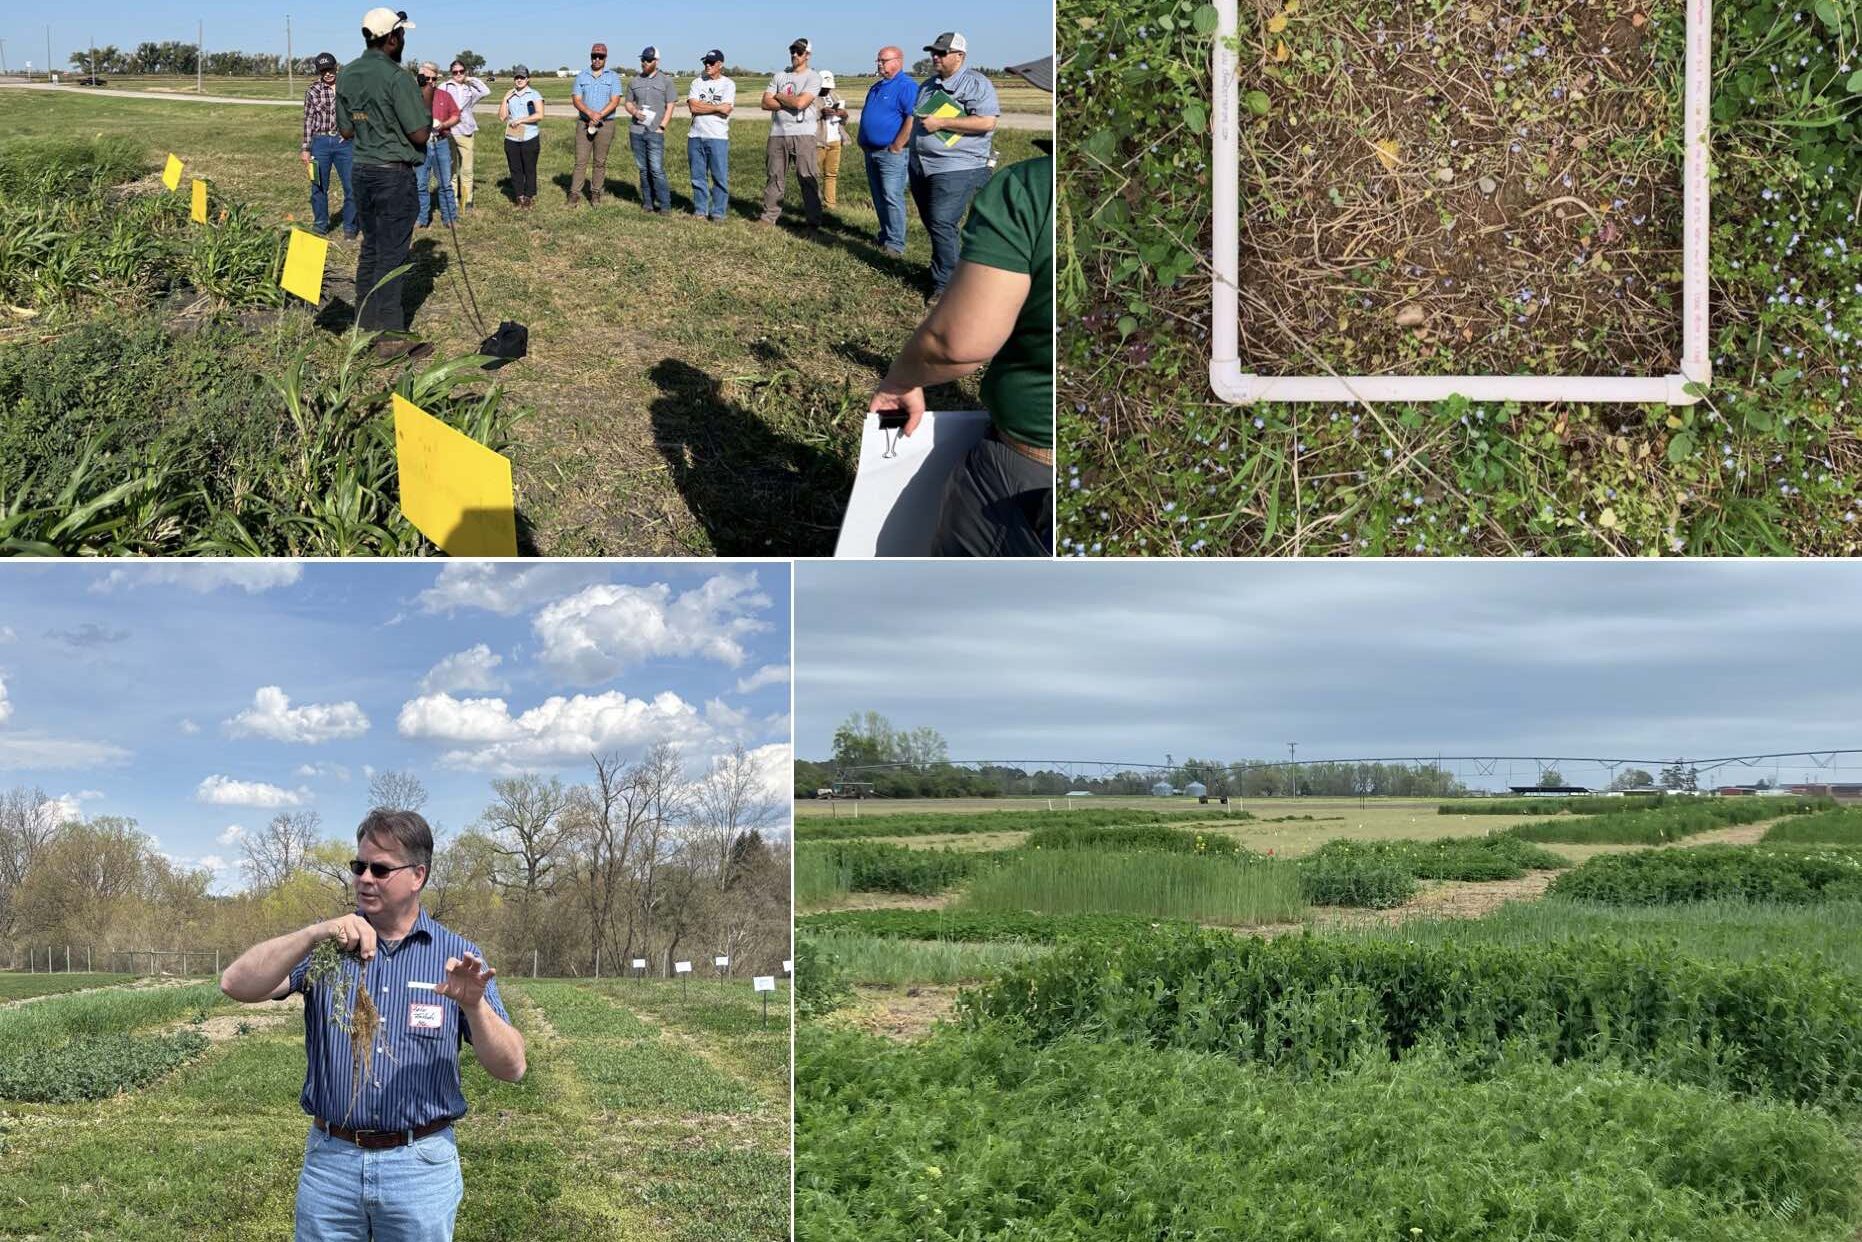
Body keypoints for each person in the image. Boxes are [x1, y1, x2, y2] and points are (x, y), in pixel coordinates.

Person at [219, 809, 526, 1242]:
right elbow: (235, 984)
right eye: (358, 866)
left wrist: (474, 1007)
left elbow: (512, 1067)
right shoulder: (327, 949)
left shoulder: (456, 955)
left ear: (418, 875)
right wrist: (314, 932)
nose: (365, 878)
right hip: (332, 1165)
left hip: (419, 1167)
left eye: (380, 869)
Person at [869, 54, 1052, 559]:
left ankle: (948, 280)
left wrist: (902, 378)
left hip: (1031, 466)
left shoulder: (1034, 187)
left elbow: (958, 344)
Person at [335, 7, 435, 357]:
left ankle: (364, 326)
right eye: (402, 34)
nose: (403, 39)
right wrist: (426, 97)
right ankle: (391, 338)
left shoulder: (346, 74)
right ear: (392, 38)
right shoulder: (397, 76)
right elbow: (420, 133)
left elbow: (346, 129)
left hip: (362, 171)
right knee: (392, 255)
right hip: (393, 174)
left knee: (372, 248)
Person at [908, 32, 1000, 298]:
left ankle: (946, 286)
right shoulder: (927, 86)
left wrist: (942, 123)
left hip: (958, 166)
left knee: (941, 221)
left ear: (959, 56)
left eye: (941, 53)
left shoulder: (976, 84)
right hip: (922, 165)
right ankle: (950, 269)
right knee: (933, 222)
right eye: (933, 52)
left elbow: (986, 122)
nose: (935, 57)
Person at [758, 37, 822, 230]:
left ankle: (813, 222)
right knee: (774, 176)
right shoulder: (779, 76)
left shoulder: (813, 77)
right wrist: (789, 100)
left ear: (808, 55)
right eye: (792, 51)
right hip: (778, 133)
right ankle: (768, 217)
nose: (795, 54)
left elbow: (801, 103)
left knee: (807, 177)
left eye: (799, 52)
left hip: (804, 134)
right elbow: (764, 103)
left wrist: (778, 96)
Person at [857, 46, 916, 255]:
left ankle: (895, 243)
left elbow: (912, 117)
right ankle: (885, 235)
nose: (880, 64)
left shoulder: (906, 86)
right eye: (878, 61)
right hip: (871, 151)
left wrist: (898, 144)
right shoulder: (876, 87)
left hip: (891, 153)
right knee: (879, 197)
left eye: (884, 60)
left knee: (892, 196)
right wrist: (861, 137)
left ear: (898, 61)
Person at [302, 52, 358, 240]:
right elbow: (309, 120)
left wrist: (353, 132)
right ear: (319, 72)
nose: (327, 73)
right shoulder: (313, 91)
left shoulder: (349, 88)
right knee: (318, 186)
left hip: (345, 144)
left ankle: (350, 227)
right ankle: (320, 225)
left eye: (330, 68)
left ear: (337, 66)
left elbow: (361, 114)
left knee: (352, 187)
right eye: (323, 70)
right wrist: (306, 148)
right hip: (320, 143)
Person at [624, 46, 676, 213]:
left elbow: (670, 106)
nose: (644, 62)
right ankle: (647, 203)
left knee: (656, 169)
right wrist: (634, 111)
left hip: (655, 131)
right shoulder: (634, 81)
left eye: (648, 60)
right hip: (637, 131)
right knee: (643, 168)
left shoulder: (666, 81)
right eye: (642, 59)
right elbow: (628, 102)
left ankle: (665, 205)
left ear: (656, 61)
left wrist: (662, 126)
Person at [569, 42, 622, 207]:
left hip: (605, 124)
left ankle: (595, 193)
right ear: (590, 57)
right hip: (585, 123)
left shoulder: (613, 77)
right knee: (580, 161)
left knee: (600, 161)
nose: (597, 59)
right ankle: (574, 194)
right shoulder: (582, 76)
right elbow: (576, 100)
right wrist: (590, 113)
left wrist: (599, 115)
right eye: (594, 56)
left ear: (605, 58)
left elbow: (615, 101)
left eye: (601, 56)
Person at [686, 49, 734, 222]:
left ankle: (718, 212)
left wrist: (703, 106)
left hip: (717, 137)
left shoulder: (728, 84)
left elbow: (726, 109)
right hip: (695, 135)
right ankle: (700, 210)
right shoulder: (697, 82)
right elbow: (693, 107)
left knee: (719, 176)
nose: (707, 65)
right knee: (698, 176)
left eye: (711, 63)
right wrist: (716, 107)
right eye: (705, 62)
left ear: (720, 64)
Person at [415, 61, 460, 229]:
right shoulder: (413, 96)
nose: (431, 82)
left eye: (434, 79)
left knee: (445, 184)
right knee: (421, 184)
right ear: (420, 78)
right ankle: (422, 218)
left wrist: (443, 124)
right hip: (421, 145)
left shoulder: (444, 96)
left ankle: (449, 217)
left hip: (440, 142)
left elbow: (456, 115)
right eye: (427, 78)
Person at [440, 60, 489, 211]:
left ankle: (467, 200)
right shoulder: (445, 87)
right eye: (455, 72)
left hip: (466, 131)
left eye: (461, 71)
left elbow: (486, 91)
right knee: (452, 168)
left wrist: (470, 79)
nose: (458, 74)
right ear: (451, 73)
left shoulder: (470, 89)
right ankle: (453, 199)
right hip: (449, 132)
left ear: (465, 72)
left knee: (467, 169)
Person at [498, 66, 543, 208]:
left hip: (530, 137)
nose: (519, 80)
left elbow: (539, 115)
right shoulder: (509, 96)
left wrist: (520, 120)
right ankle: (519, 196)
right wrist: (505, 99)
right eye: (517, 77)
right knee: (515, 168)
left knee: (529, 168)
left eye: (522, 77)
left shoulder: (534, 94)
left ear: (527, 79)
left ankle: (529, 196)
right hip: (512, 138)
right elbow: (502, 117)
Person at [815, 71, 849, 211]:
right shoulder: (811, 97)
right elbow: (805, 118)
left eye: (828, 87)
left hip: (835, 140)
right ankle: (814, 204)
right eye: (824, 87)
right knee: (814, 174)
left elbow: (844, 120)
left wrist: (843, 114)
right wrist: (820, 113)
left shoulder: (835, 96)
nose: (826, 90)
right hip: (818, 141)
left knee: (831, 174)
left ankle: (830, 204)